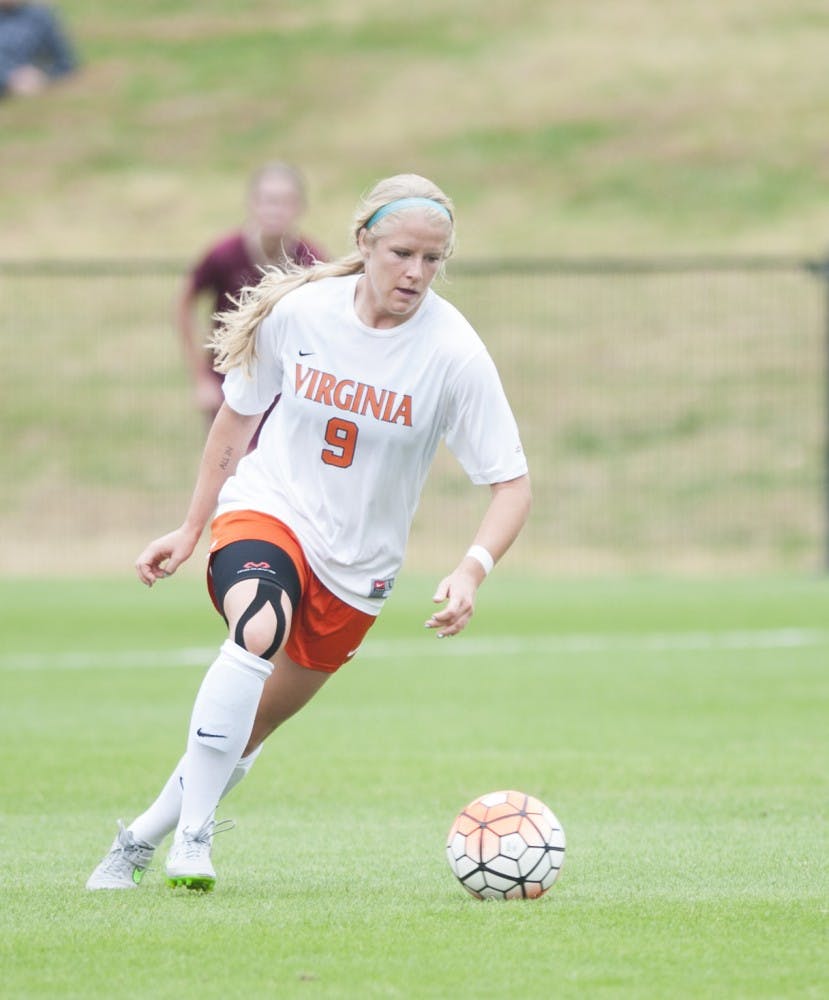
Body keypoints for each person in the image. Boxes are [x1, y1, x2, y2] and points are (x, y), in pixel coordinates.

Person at [86, 173, 532, 892]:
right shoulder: (303, 314)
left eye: (432, 259)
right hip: (269, 508)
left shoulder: (453, 352)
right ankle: (193, 840)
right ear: (363, 242)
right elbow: (237, 415)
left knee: (250, 729)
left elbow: (511, 484)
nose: (415, 272)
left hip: (358, 569)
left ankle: (138, 838)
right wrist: (193, 525)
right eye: (400, 253)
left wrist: (472, 568)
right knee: (257, 628)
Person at [176, 162, 326, 429]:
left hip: (285, 392)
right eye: (268, 200)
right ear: (253, 204)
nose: (275, 210)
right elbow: (185, 303)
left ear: (300, 207)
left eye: (285, 202)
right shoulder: (224, 254)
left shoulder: (311, 260)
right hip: (230, 386)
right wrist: (201, 379)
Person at [0, 1, 77, 98]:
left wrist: (43, 76)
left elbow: (66, 62)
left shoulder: (39, 16)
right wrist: (8, 79)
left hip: (31, 89)